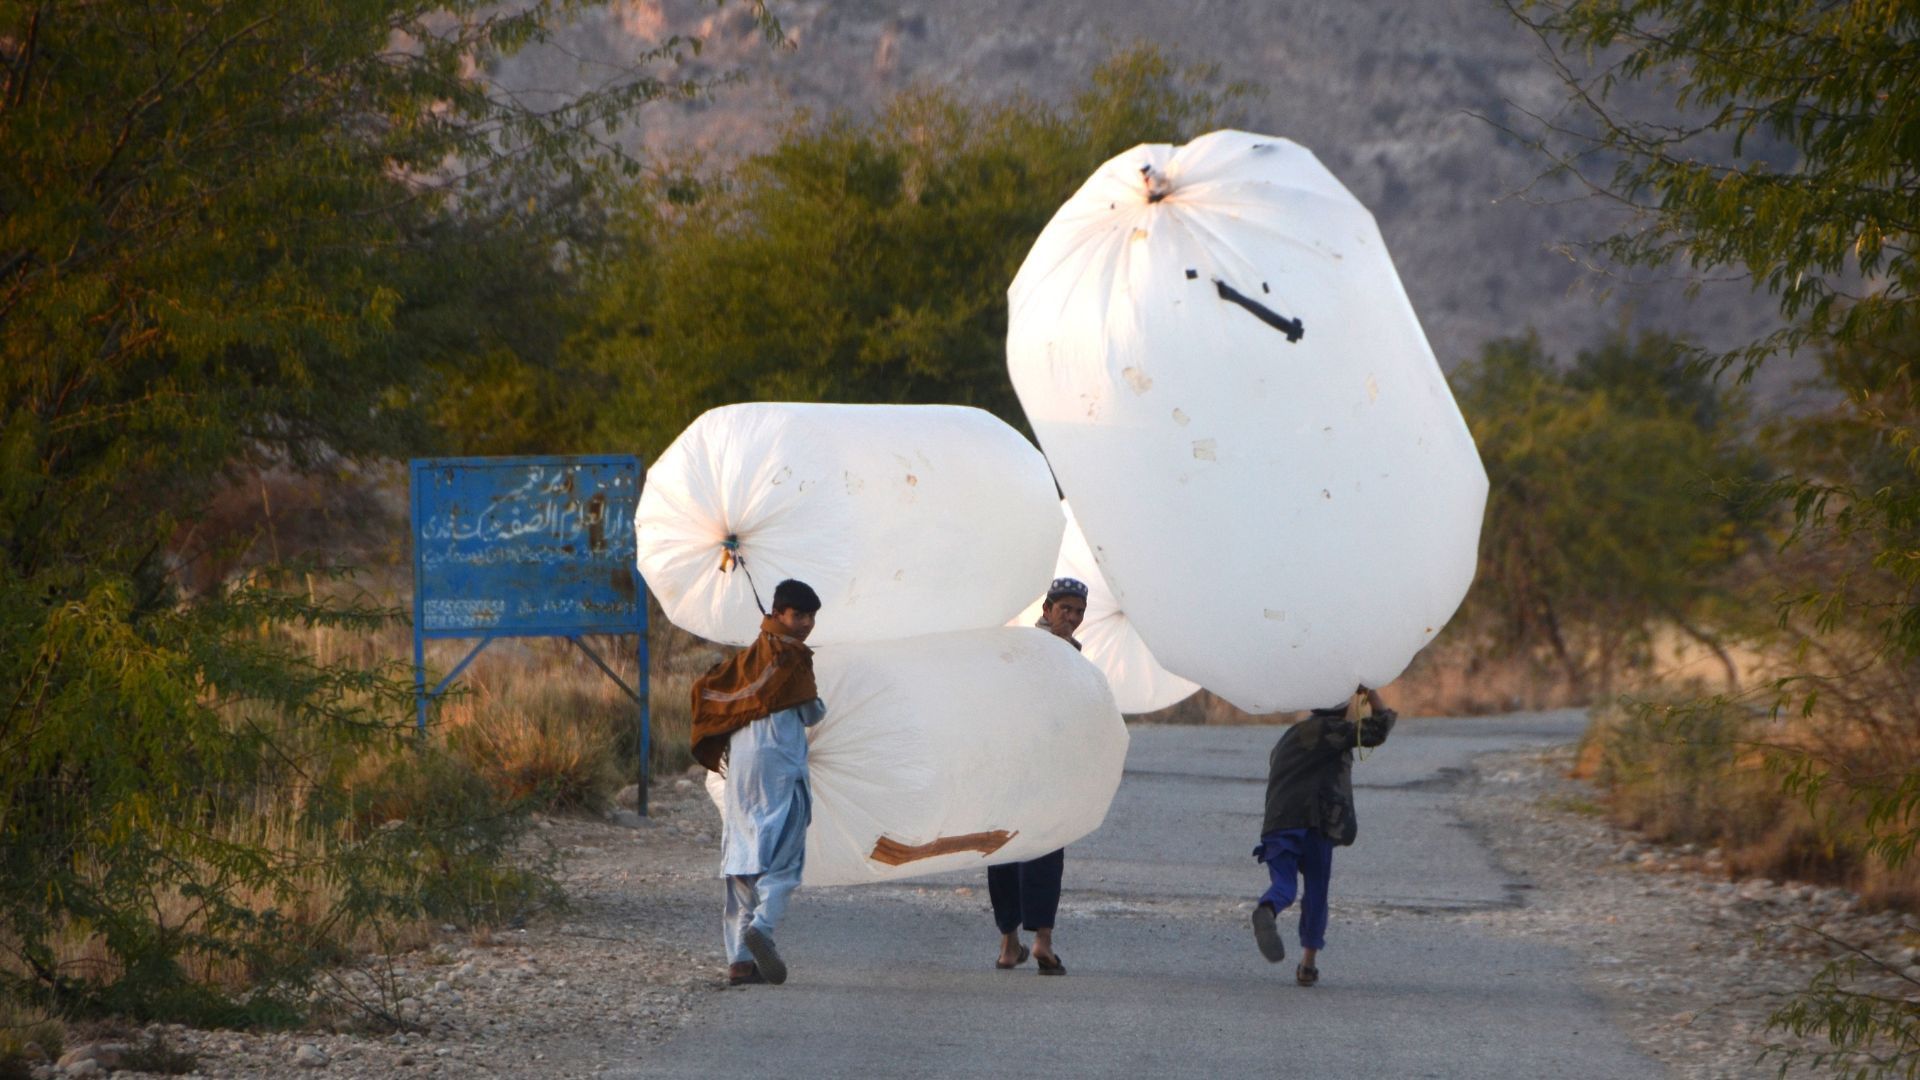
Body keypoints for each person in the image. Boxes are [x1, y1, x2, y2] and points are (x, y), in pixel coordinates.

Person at [690, 579, 826, 987]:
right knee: (784, 860)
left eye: (811, 618)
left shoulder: (745, 662)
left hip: (740, 769)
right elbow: (809, 712)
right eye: (799, 615)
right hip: (781, 767)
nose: (806, 625)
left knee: (743, 857)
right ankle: (762, 929)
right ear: (779, 613)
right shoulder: (791, 657)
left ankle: (739, 961)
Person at [1250, 684, 1397, 986]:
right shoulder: (1334, 731)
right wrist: (1371, 694)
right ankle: (1307, 965)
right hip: (1316, 824)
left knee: (1284, 885)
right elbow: (1378, 729)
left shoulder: (1290, 736)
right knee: (1316, 892)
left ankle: (1268, 908)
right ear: (1343, 707)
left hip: (1279, 823)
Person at [987, 576, 1090, 976]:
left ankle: (1037, 941)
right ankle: (1013, 941)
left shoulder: (1073, 654)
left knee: (1042, 849)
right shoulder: (1025, 649)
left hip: (1050, 769)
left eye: (1079, 612)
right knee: (1012, 850)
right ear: (1046, 610)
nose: (1072, 618)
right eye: (1065, 609)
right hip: (1017, 766)